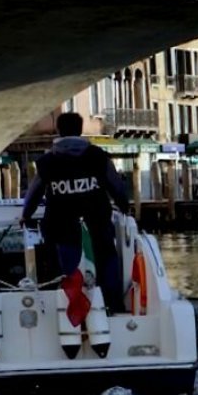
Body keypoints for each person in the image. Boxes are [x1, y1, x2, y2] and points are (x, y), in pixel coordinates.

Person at [20, 112, 130, 313]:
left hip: (62, 228)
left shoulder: (48, 162)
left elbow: (34, 193)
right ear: (80, 130)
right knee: (107, 262)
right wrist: (125, 207)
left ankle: (74, 315)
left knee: (70, 272)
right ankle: (113, 307)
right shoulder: (98, 156)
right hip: (97, 224)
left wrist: (26, 215)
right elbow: (116, 186)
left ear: (59, 130)